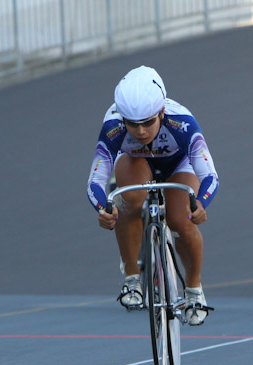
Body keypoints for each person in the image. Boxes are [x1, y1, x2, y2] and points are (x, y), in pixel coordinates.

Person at [86, 66, 219, 325]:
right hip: (136, 162)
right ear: (122, 118)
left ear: (161, 112)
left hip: (179, 165)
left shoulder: (183, 123)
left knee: (182, 220)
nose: (141, 131)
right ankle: (132, 278)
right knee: (127, 200)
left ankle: (193, 289)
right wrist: (103, 207)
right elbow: (96, 179)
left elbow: (209, 175)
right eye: (133, 125)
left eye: (148, 122)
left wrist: (201, 203)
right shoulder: (112, 125)